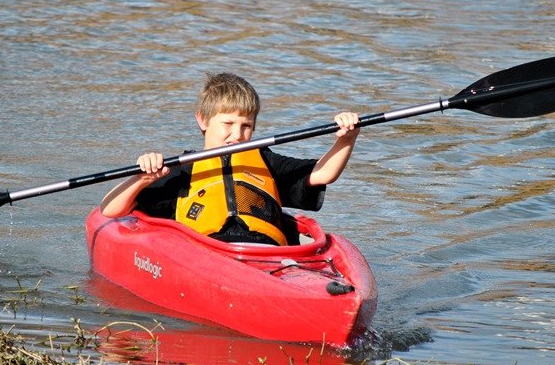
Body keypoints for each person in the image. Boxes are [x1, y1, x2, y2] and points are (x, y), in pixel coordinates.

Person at [100, 72, 360, 246]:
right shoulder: (180, 171)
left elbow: (322, 174)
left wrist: (346, 138)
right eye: (227, 123)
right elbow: (110, 210)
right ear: (202, 119)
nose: (237, 135)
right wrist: (141, 178)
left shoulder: (266, 161)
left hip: (267, 254)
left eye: (246, 125)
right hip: (210, 252)